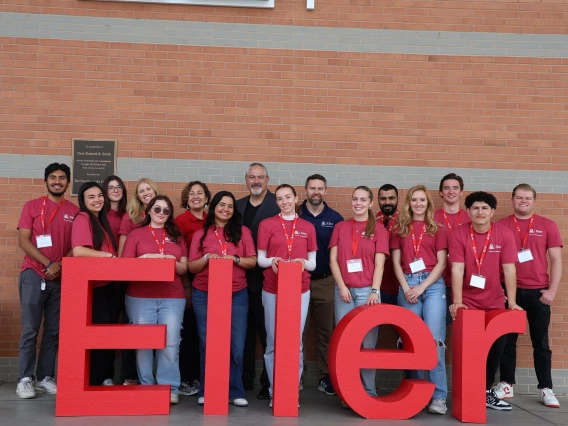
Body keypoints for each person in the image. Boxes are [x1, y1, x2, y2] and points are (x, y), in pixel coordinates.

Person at [449, 191, 523, 411]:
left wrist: (511, 302)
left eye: (484, 208)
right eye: (475, 208)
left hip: (495, 303)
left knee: (495, 350)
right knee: (469, 350)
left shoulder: (504, 233)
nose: (479, 212)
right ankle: (468, 394)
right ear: (469, 212)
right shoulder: (459, 233)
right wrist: (458, 301)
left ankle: (485, 393)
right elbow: (457, 269)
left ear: (492, 211)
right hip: (469, 302)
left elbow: (509, 269)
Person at [495, 184, 562, 408]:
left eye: (528, 198)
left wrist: (552, 291)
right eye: (519, 198)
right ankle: (506, 384)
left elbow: (557, 260)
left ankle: (546, 388)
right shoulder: (501, 225)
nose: (523, 201)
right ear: (512, 200)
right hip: (509, 291)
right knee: (507, 341)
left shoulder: (547, 225)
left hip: (538, 292)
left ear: (534, 201)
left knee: (541, 342)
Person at [15, 163, 79, 399]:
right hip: (33, 273)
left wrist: (60, 265)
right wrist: (48, 264)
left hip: (61, 277)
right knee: (30, 329)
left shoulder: (74, 210)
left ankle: (44, 378)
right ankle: (24, 379)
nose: (57, 181)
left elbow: (77, 245)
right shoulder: (31, 206)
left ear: (67, 183)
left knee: (53, 331)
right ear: (45, 181)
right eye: (52, 177)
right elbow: (24, 240)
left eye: (62, 178)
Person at [189, 191, 257, 407]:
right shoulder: (201, 233)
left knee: (236, 344)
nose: (225, 209)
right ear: (214, 206)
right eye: (221, 205)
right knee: (207, 342)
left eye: (229, 206)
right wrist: (208, 258)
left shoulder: (243, 232)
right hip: (204, 293)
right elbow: (191, 266)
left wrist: (235, 259)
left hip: (236, 294)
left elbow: (252, 261)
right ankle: (207, 390)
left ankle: (235, 390)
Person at [121, 195, 188, 405]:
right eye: (157, 209)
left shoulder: (177, 236)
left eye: (166, 211)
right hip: (140, 296)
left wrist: (170, 262)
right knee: (143, 343)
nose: (161, 214)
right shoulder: (136, 234)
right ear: (148, 210)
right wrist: (146, 259)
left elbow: (184, 268)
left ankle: (169, 387)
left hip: (172, 296)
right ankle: (147, 386)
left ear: (170, 215)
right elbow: (125, 265)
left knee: (170, 343)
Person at [257, 184, 317, 407]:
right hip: (273, 288)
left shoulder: (307, 227)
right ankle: (275, 391)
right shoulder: (267, 225)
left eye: (288, 197)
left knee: (294, 342)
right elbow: (260, 259)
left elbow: (313, 263)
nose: (285, 201)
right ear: (277, 202)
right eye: (280, 198)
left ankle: (291, 390)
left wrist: (303, 263)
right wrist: (272, 260)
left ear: (296, 198)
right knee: (273, 342)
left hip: (299, 289)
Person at [391, 184, 449, 415]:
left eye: (422, 200)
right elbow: (395, 262)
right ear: (408, 203)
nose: (418, 204)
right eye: (414, 200)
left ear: (428, 203)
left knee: (435, 342)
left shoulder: (438, 229)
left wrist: (422, 286)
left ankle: (439, 397)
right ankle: (415, 395)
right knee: (411, 342)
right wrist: (407, 288)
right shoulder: (399, 228)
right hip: (407, 283)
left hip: (433, 285)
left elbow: (442, 262)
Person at [329, 186, 388, 401]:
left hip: (367, 292)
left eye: (363, 200)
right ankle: (348, 392)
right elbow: (333, 260)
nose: (358, 203)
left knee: (368, 344)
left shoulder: (379, 229)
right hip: (343, 291)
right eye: (355, 199)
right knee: (346, 342)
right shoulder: (340, 227)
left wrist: (374, 290)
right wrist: (342, 286)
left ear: (371, 203)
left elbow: (379, 264)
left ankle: (369, 392)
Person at [236, 163, 280, 399]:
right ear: (246, 179)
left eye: (260, 177)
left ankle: (267, 383)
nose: (256, 181)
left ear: (267, 179)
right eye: (252, 177)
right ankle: (244, 380)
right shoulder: (238, 206)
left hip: (268, 281)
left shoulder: (277, 204)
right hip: (241, 280)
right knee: (244, 335)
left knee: (268, 335)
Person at [299, 174, 343, 396]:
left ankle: (326, 377)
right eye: (312, 188)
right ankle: (295, 376)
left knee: (326, 332)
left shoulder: (335, 219)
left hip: (326, 281)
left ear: (326, 191)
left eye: (320, 188)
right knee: (297, 332)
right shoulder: (294, 214)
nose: (316, 192)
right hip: (298, 282)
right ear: (305, 190)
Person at [72, 182, 119, 387]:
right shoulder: (83, 218)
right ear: (83, 200)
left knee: (107, 333)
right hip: (94, 287)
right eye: (91, 197)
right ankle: (94, 381)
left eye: (99, 195)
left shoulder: (101, 221)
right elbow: (79, 251)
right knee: (100, 334)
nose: (97, 199)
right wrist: (107, 256)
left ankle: (101, 378)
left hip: (107, 285)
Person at [101, 175, 138, 386]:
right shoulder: (99, 214)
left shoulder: (129, 214)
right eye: (111, 187)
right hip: (106, 277)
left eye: (119, 187)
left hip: (127, 276)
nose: (115, 190)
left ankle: (128, 375)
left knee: (129, 326)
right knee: (107, 325)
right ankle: (106, 374)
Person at [175, 181, 211, 397]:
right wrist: (187, 286)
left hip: (214, 285)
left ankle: (202, 377)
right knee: (188, 333)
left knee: (205, 334)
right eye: (191, 194)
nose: (196, 196)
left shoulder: (213, 220)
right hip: (190, 284)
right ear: (186, 199)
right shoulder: (180, 222)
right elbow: (181, 255)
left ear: (207, 198)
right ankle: (187, 378)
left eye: (200, 193)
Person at [434, 173, 471, 319]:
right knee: (437, 321)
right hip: (438, 281)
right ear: (440, 192)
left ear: (461, 192)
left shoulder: (470, 218)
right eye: (447, 188)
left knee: (464, 324)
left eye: (455, 188)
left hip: (465, 281)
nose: (451, 191)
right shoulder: (432, 218)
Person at [118, 178, 160, 256]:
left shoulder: (163, 213)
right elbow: (123, 242)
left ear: (155, 191)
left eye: (148, 189)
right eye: (141, 191)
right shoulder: (130, 216)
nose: (146, 193)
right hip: (136, 261)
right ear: (138, 196)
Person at [376, 184, 400, 306]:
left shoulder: (406, 222)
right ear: (378, 200)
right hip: (376, 287)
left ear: (397, 199)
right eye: (383, 198)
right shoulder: (370, 222)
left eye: (391, 198)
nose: (387, 202)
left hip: (401, 287)